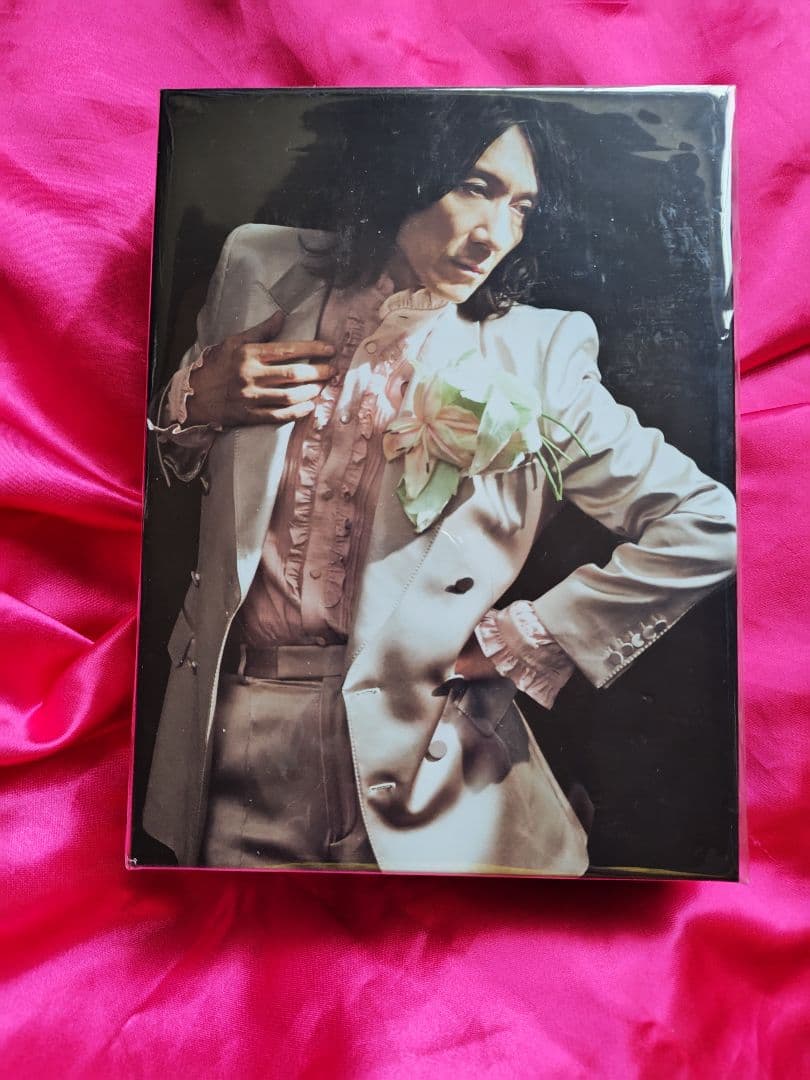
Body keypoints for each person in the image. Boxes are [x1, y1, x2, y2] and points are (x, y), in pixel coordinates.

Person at [141, 95, 737, 875]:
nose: (495, 235)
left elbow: (709, 522)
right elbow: (175, 475)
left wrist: (529, 638)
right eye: (476, 187)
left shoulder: (536, 352)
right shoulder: (257, 267)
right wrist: (191, 403)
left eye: (522, 207)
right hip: (232, 746)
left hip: (440, 776)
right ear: (404, 169)